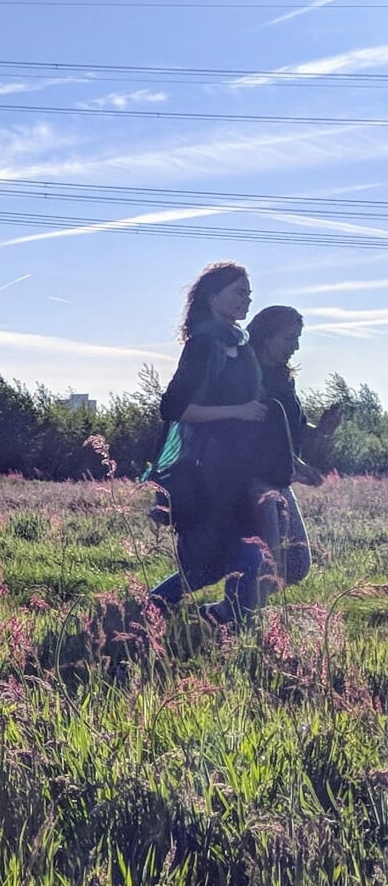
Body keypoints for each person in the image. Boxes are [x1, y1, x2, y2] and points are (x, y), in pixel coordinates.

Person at [147, 262, 292, 623]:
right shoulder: (203, 344)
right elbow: (175, 408)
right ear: (213, 297)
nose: (247, 300)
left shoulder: (237, 341)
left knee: (243, 556)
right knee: (208, 564)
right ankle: (152, 612)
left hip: (239, 468)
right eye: (239, 292)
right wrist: (238, 411)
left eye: (249, 293)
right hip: (208, 470)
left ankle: (223, 624)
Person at [247, 304, 342, 587]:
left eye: (298, 338)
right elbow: (253, 434)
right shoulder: (244, 375)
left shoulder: (284, 378)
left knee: (296, 564)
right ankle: (234, 619)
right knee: (264, 564)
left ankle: (219, 613)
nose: (297, 346)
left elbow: (294, 430)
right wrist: (295, 463)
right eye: (290, 338)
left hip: (278, 478)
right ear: (266, 336)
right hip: (251, 480)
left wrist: (322, 430)